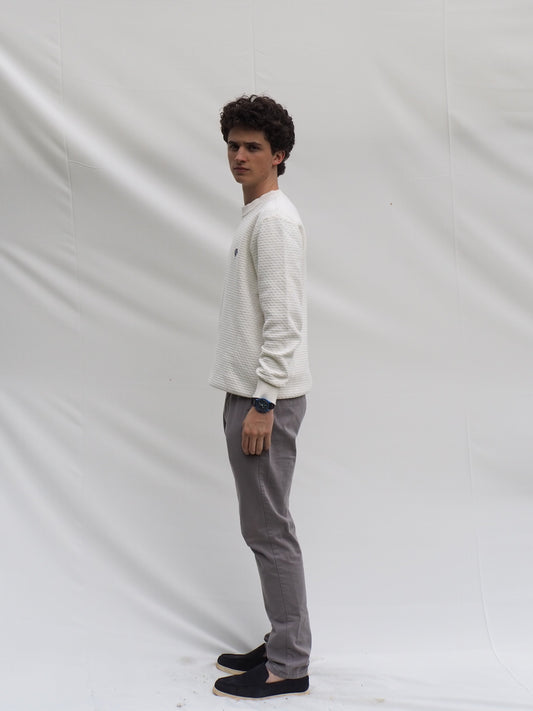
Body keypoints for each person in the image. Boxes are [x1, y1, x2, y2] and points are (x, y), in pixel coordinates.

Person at [209, 94, 312, 700]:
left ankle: (289, 664)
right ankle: (281, 640)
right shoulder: (256, 215)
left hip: (263, 402)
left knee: (270, 531)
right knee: (264, 527)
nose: (239, 156)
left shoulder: (273, 221)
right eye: (233, 145)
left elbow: (285, 322)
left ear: (279, 155)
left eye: (253, 147)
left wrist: (265, 403)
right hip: (249, 395)